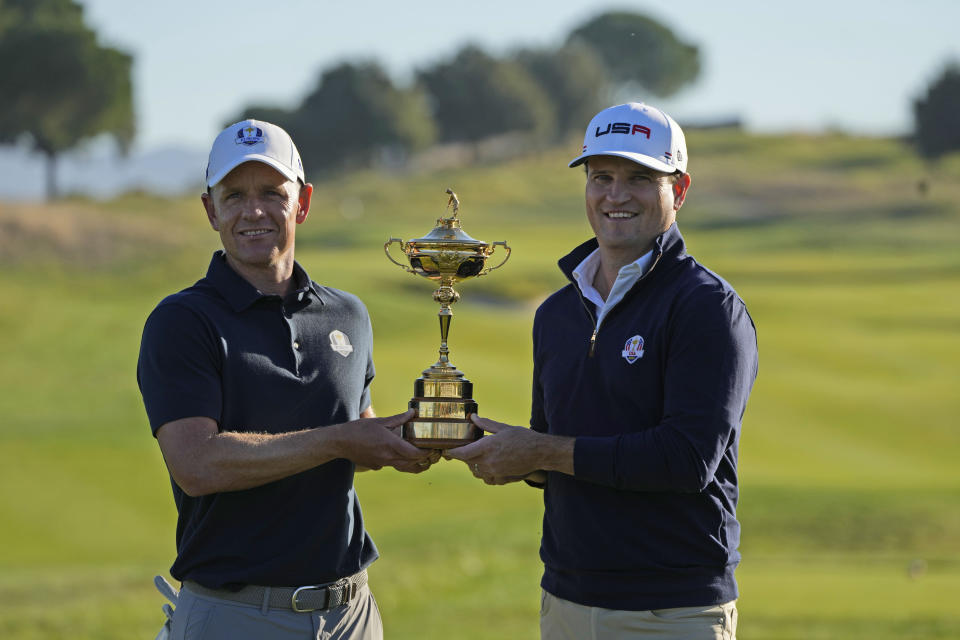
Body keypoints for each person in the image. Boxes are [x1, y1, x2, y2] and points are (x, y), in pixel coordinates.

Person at [446, 103, 758, 639]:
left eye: (639, 178)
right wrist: (497, 449)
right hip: (566, 599)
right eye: (602, 177)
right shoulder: (558, 313)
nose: (616, 195)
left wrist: (540, 451)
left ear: (678, 191)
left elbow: (686, 460)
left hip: (671, 612)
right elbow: (556, 451)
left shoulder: (705, 307)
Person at [137, 119, 436, 640]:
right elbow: (196, 464)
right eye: (234, 196)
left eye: (272, 193)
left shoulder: (348, 315)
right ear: (211, 210)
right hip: (237, 616)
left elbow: (357, 433)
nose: (253, 211)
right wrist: (342, 439)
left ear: (303, 202)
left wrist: (419, 436)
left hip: (352, 614)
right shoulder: (183, 321)